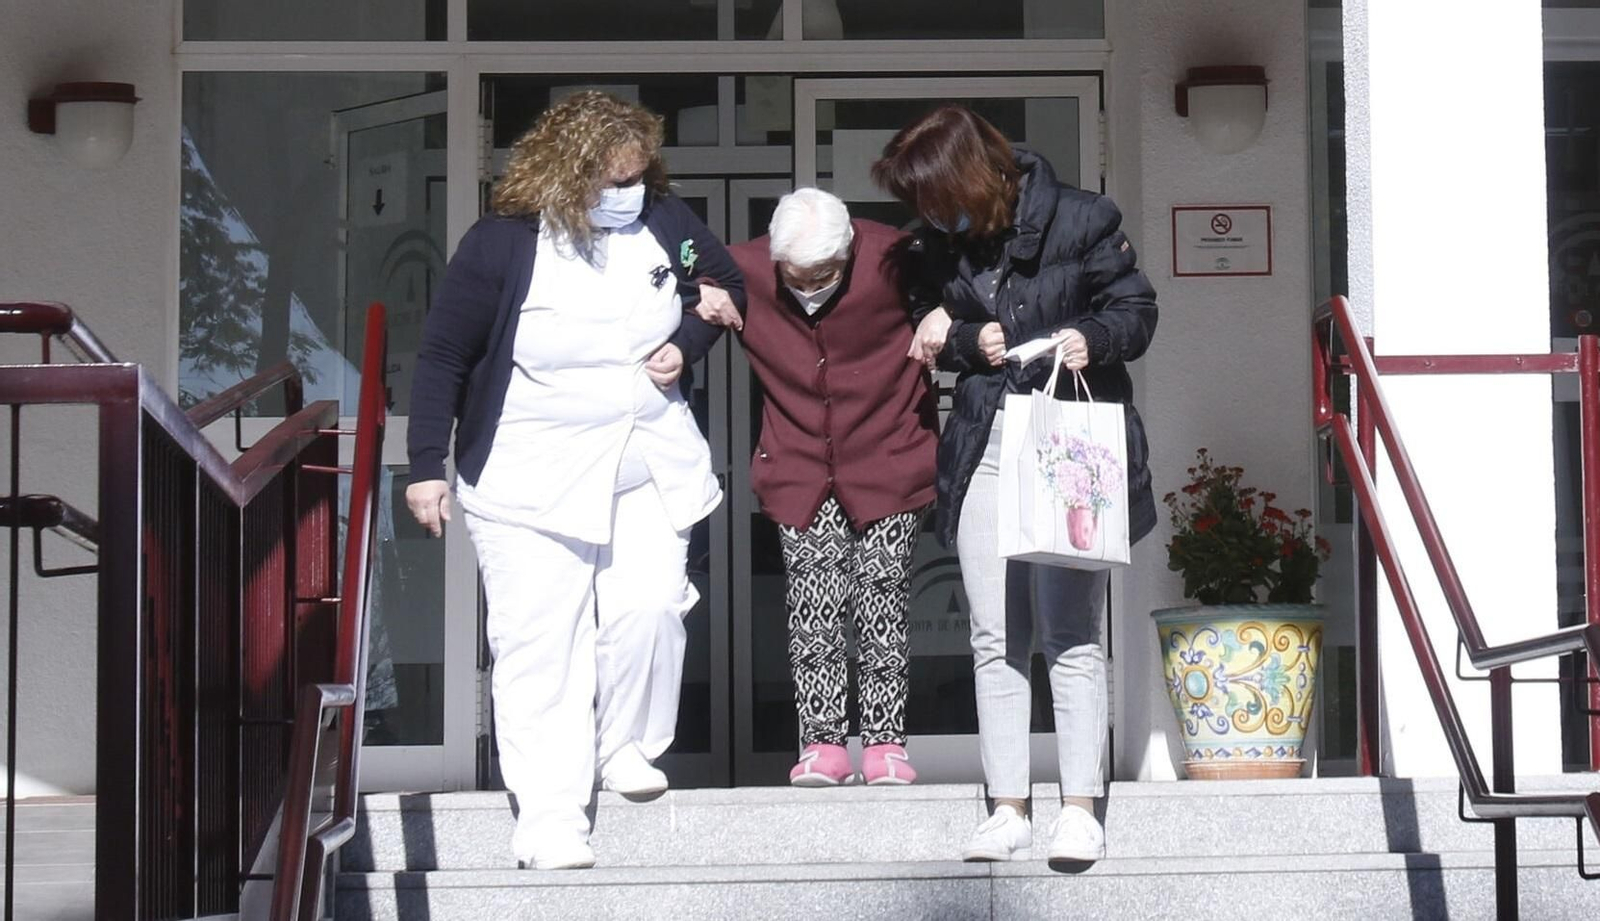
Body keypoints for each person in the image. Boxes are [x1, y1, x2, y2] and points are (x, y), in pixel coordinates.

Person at [404, 91, 744, 871]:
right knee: (541, 645)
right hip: (531, 479)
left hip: (646, 463)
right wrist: (427, 466)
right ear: (568, 173)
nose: (626, 191)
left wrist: (688, 342)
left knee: (651, 609)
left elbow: (726, 288)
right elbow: (444, 359)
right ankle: (551, 817)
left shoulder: (666, 224)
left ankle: (622, 743)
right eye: (610, 178)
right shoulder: (501, 245)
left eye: (635, 174)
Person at [871, 105, 1158, 863]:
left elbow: (1136, 310)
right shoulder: (940, 246)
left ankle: (1079, 807)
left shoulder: (1084, 218)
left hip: (1067, 444)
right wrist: (970, 338)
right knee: (995, 635)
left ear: (971, 172)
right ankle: (1006, 807)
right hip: (988, 444)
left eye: (935, 196)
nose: (931, 215)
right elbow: (930, 326)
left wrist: (1090, 338)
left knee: (1069, 634)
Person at [696, 188, 939, 786]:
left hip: (889, 453)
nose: (811, 286)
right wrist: (696, 289)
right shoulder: (743, 265)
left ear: (851, 246)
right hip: (799, 461)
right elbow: (660, 260)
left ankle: (886, 745)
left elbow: (967, 275)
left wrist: (944, 310)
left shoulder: (895, 253)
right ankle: (822, 745)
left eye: (826, 274)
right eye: (798, 276)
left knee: (884, 598)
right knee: (814, 604)